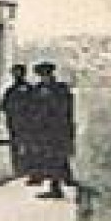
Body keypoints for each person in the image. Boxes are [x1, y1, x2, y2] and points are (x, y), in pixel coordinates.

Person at [33, 62, 77, 199]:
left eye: (47, 74)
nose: (44, 77)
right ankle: (58, 184)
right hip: (44, 130)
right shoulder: (37, 89)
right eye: (42, 75)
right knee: (50, 158)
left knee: (57, 157)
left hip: (59, 129)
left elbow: (66, 109)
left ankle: (56, 187)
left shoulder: (61, 88)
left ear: (52, 74)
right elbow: (32, 109)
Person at [0, 63, 36, 177]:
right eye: (14, 73)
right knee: (15, 145)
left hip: (26, 122)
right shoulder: (11, 90)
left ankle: (27, 167)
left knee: (27, 145)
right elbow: (3, 105)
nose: (16, 75)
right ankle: (19, 167)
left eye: (18, 73)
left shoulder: (29, 89)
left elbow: (33, 105)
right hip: (14, 122)